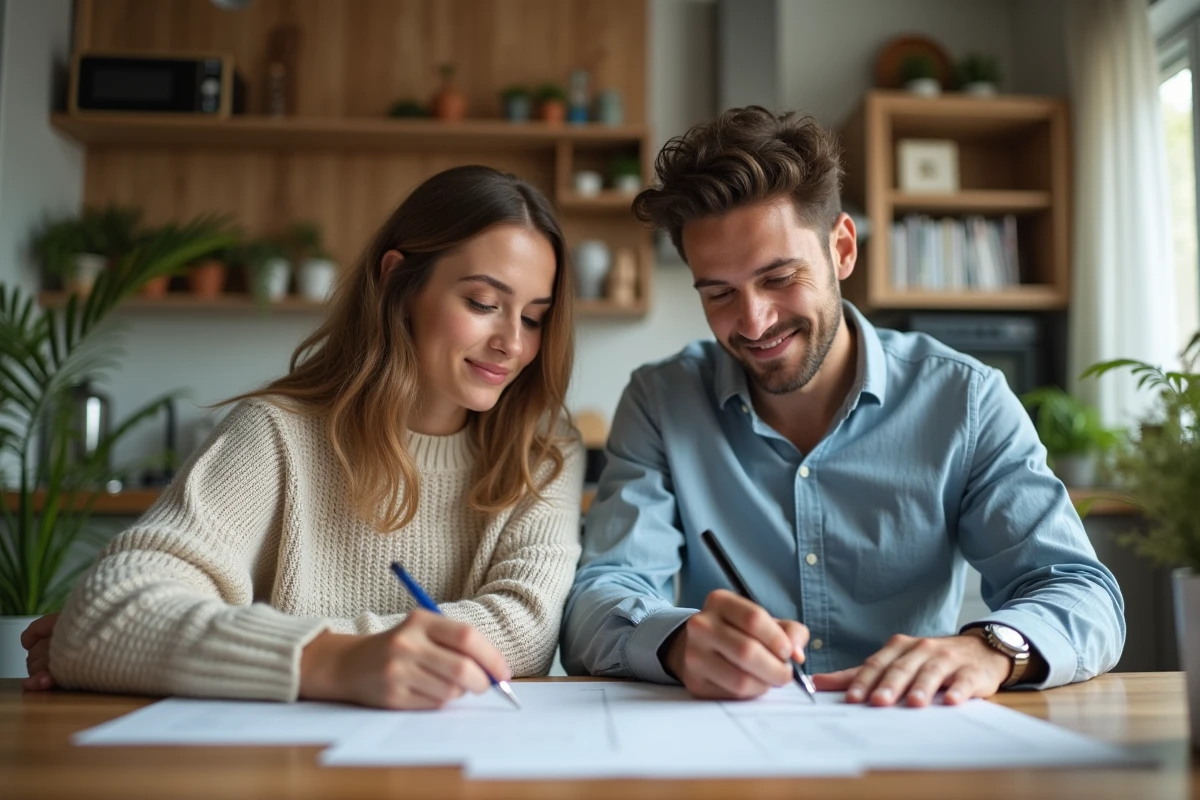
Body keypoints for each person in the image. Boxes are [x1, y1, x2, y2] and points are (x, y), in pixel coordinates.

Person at [561, 107, 1124, 707]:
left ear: (843, 249)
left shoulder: (966, 398)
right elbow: (600, 595)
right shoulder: (660, 400)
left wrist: (992, 648)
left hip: (912, 737)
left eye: (779, 278)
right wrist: (677, 642)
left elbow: (1081, 593)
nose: (754, 322)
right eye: (720, 293)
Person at [23, 165, 585, 710]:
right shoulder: (274, 433)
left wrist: (242, 645)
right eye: (484, 304)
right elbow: (109, 616)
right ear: (398, 281)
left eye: (534, 317)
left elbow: (523, 631)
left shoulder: (544, 454)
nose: (512, 342)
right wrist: (336, 661)